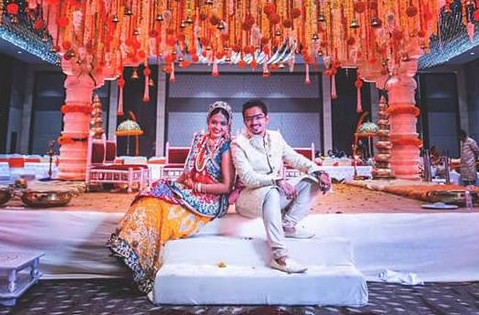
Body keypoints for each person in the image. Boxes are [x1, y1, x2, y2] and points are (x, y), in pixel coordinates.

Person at [108, 101, 235, 294]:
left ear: (228, 126)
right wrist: (173, 185)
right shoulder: (199, 139)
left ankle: (145, 267)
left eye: (222, 123)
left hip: (210, 200)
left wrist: (198, 187)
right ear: (208, 122)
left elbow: (226, 186)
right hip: (189, 189)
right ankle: (130, 248)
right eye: (214, 122)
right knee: (151, 194)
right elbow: (187, 172)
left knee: (161, 208)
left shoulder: (227, 148)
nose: (217, 127)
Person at [231, 99, 332, 274]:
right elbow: (247, 178)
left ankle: (287, 225)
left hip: (275, 195)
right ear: (244, 121)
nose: (254, 122)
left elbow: (295, 158)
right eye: (249, 119)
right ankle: (280, 257)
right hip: (249, 199)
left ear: (267, 118)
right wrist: (276, 181)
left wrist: (318, 171)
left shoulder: (276, 137)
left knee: (311, 181)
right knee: (271, 191)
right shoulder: (238, 143)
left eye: (258, 117)